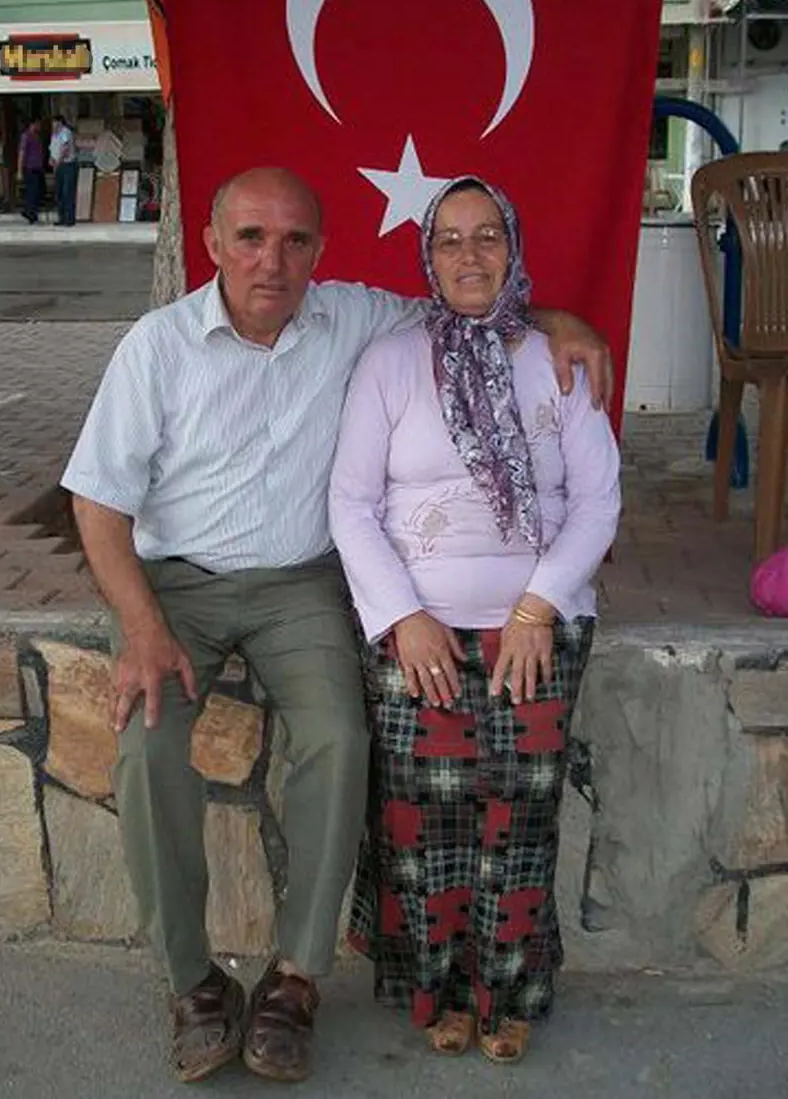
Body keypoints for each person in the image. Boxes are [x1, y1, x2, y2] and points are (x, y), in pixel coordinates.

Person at [61, 167, 612, 1085]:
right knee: (147, 746)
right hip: (175, 587)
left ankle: (295, 977)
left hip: (299, 584)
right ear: (212, 243)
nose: (271, 261)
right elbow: (96, 502)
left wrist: (561, 321)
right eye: (249, 238)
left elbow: (471, 297)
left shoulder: (357, 318)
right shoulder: (157, 347)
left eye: (294, 241)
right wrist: (142, 627)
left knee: (340, 738)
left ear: (320, 249)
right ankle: (193, 980)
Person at [328, 176, 621, 1066]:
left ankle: (510, 994)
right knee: (425, 820)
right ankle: (443, 992)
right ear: (427, 255)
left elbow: (598, 499)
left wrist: (537, 607)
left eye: (487, 235)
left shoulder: (556, 360)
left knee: (520, 814)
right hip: (417, 630)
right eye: (449, 238)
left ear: (513, 247)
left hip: (538, 625)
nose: (468, 254)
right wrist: (403, 617)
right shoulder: (390, 362)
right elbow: (351, 502)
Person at [49, 114, 77, 226]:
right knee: (59, 192)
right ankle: (62, 217)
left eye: (54, 122)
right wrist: (51, 159)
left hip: (67, 164)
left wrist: (58, 162)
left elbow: (65, 148)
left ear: (60, 122)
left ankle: (69, 218)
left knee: (67, 192)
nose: (53, 125)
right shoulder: (54, 134)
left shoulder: (65, 132)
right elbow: (52, 148)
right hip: (58, 165)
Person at [18, 118, 45, 224]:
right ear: (33, 124)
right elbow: (21, 153)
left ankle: (29, 211)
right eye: (38, 124)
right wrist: (19, 170)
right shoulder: (26, 136)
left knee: (38, 191)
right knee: (32, 192)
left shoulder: (37, 137)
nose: (40, 127)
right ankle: (31, 214)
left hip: (38, 168)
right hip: (30, 168)